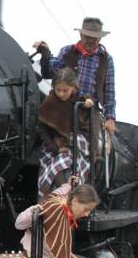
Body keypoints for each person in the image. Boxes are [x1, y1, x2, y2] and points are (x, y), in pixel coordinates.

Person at [35, 17, 116, 137]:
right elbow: (48, 73)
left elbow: (109, 92)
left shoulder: (106, 59)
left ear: (100, 38)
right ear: (81, 34)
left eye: (95, 38)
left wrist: (110, 118)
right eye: (88, 37)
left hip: (89, 113)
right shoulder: (67, 51)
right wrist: (45, 54)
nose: (91, 41)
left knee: (93, 149)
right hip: (64, 108)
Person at [36, 67, 94, 199]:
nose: (61, 94)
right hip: (53, 144)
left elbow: (88, 108)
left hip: (74, 146)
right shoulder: (49, 102)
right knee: (55, 165)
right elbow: (41, 128)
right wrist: (52, 146)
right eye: (58, 90)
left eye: (65, 90)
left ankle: (70, 193)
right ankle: (61, 195)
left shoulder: (79, 101)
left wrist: (88, 104)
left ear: (73, 88)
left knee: (69, 159)